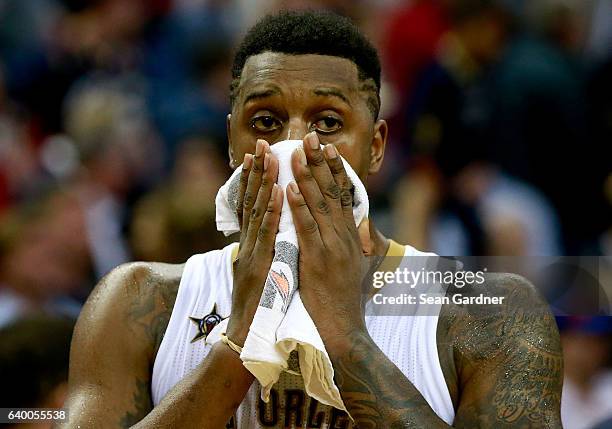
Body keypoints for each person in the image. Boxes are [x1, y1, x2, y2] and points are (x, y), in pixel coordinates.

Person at [60, 11, 563, 428]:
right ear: (231, 143)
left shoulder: (490, 311)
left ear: (377, 146)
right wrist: (239, 340)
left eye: (328, 122)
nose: (297, 146)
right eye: (265, 122)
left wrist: (346, 336)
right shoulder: (138, 301)